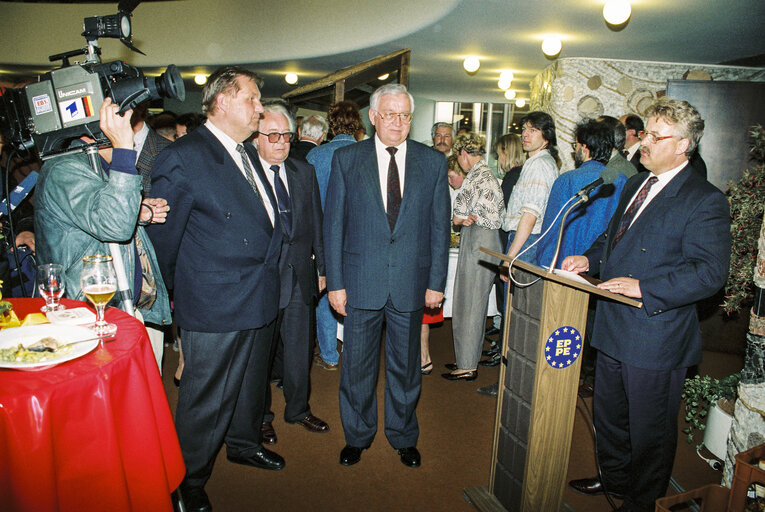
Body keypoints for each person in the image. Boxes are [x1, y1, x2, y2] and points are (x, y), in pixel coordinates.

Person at [566, 98, 731, 511]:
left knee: (650, 431)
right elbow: (611, 239)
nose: (645, 143)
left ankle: (642, 502)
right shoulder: (636, 182)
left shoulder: (704, 199)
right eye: (647, 134)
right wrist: (590, 258)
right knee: (610, 418)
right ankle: (616, 480)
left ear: (684, 145)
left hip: (656, 333)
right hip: (613, 324)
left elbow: (710, 273)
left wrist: (645, 288)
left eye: (657, 136)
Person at [148, 66, 285, 512]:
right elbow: (163, 243)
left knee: (249, 385)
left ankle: (243, 444)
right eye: (252, 99)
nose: (260, 108)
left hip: (258, 293)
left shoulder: (243, 152)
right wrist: (174, 309)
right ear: (222, 102)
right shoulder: (185, 155)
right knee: (205, 399)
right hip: (214, 302)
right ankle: (187, 481)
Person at [323, 83, 450, 468]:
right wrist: (336, 283)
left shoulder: (432, 162)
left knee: (406, 367)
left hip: (411, 282)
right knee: (357, 368)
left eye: (405, 115)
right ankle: (357, 436)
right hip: (360, 282)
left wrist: (436, 282)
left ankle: (403, 435)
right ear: (373, 117)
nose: (398, 122)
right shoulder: (347, 159)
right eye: (390, 114)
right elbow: (334, 227)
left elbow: (439, 227)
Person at [34, 98, 172, 369]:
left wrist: (139, 212)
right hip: (91, 315)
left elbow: (99, 218)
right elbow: (114, 225)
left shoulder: (98, 165)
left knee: (141, 401)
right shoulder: (65, 169)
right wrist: (123, 150)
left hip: (128, 308)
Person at [255, 103, 329, 444]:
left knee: (300, 352)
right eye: (272, 136)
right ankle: (260, 417)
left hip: (301, 276)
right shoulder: (246, 174)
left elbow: (317, 223)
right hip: (261, 282)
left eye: (285, 135)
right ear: (256, 138)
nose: (281, 142)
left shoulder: (304, 172)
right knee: (260, 356)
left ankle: (298, 409)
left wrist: (323, 269)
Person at [443, 132, 505, 381]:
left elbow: (457, 217)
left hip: (479, 239)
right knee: (476, 303)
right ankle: (466, 359)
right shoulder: (488, 173)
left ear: (463, 154)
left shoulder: (474, 177)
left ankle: (467, 366)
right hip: (489, 238)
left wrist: (461, 217)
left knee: (468, 303)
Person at [306, 101, 362, 370]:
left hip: (326, 237)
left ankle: (329, 355)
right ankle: (354, 355)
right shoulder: (367, 154)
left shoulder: (317, 156)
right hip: (358, 239)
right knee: (357, 296)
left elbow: (308, 202)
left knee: (326, 292)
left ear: (331, 124)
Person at [536, 119, 627, 269]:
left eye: (575, 145)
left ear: (584, 147)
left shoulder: (566, 180)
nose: (575, 149)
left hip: (565, 266)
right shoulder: (622, 181)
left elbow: (551, 230)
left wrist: (544, 265)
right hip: (600, 266)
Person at [500, 111, 559, 268]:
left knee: (518, 292)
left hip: (526, 242)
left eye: (533, 130)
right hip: (526, 240)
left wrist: (509, 258)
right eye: (524, 129)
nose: (525, 134)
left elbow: (530, 216)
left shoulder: (539, 165)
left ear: (546, 136)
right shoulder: (538, 161)